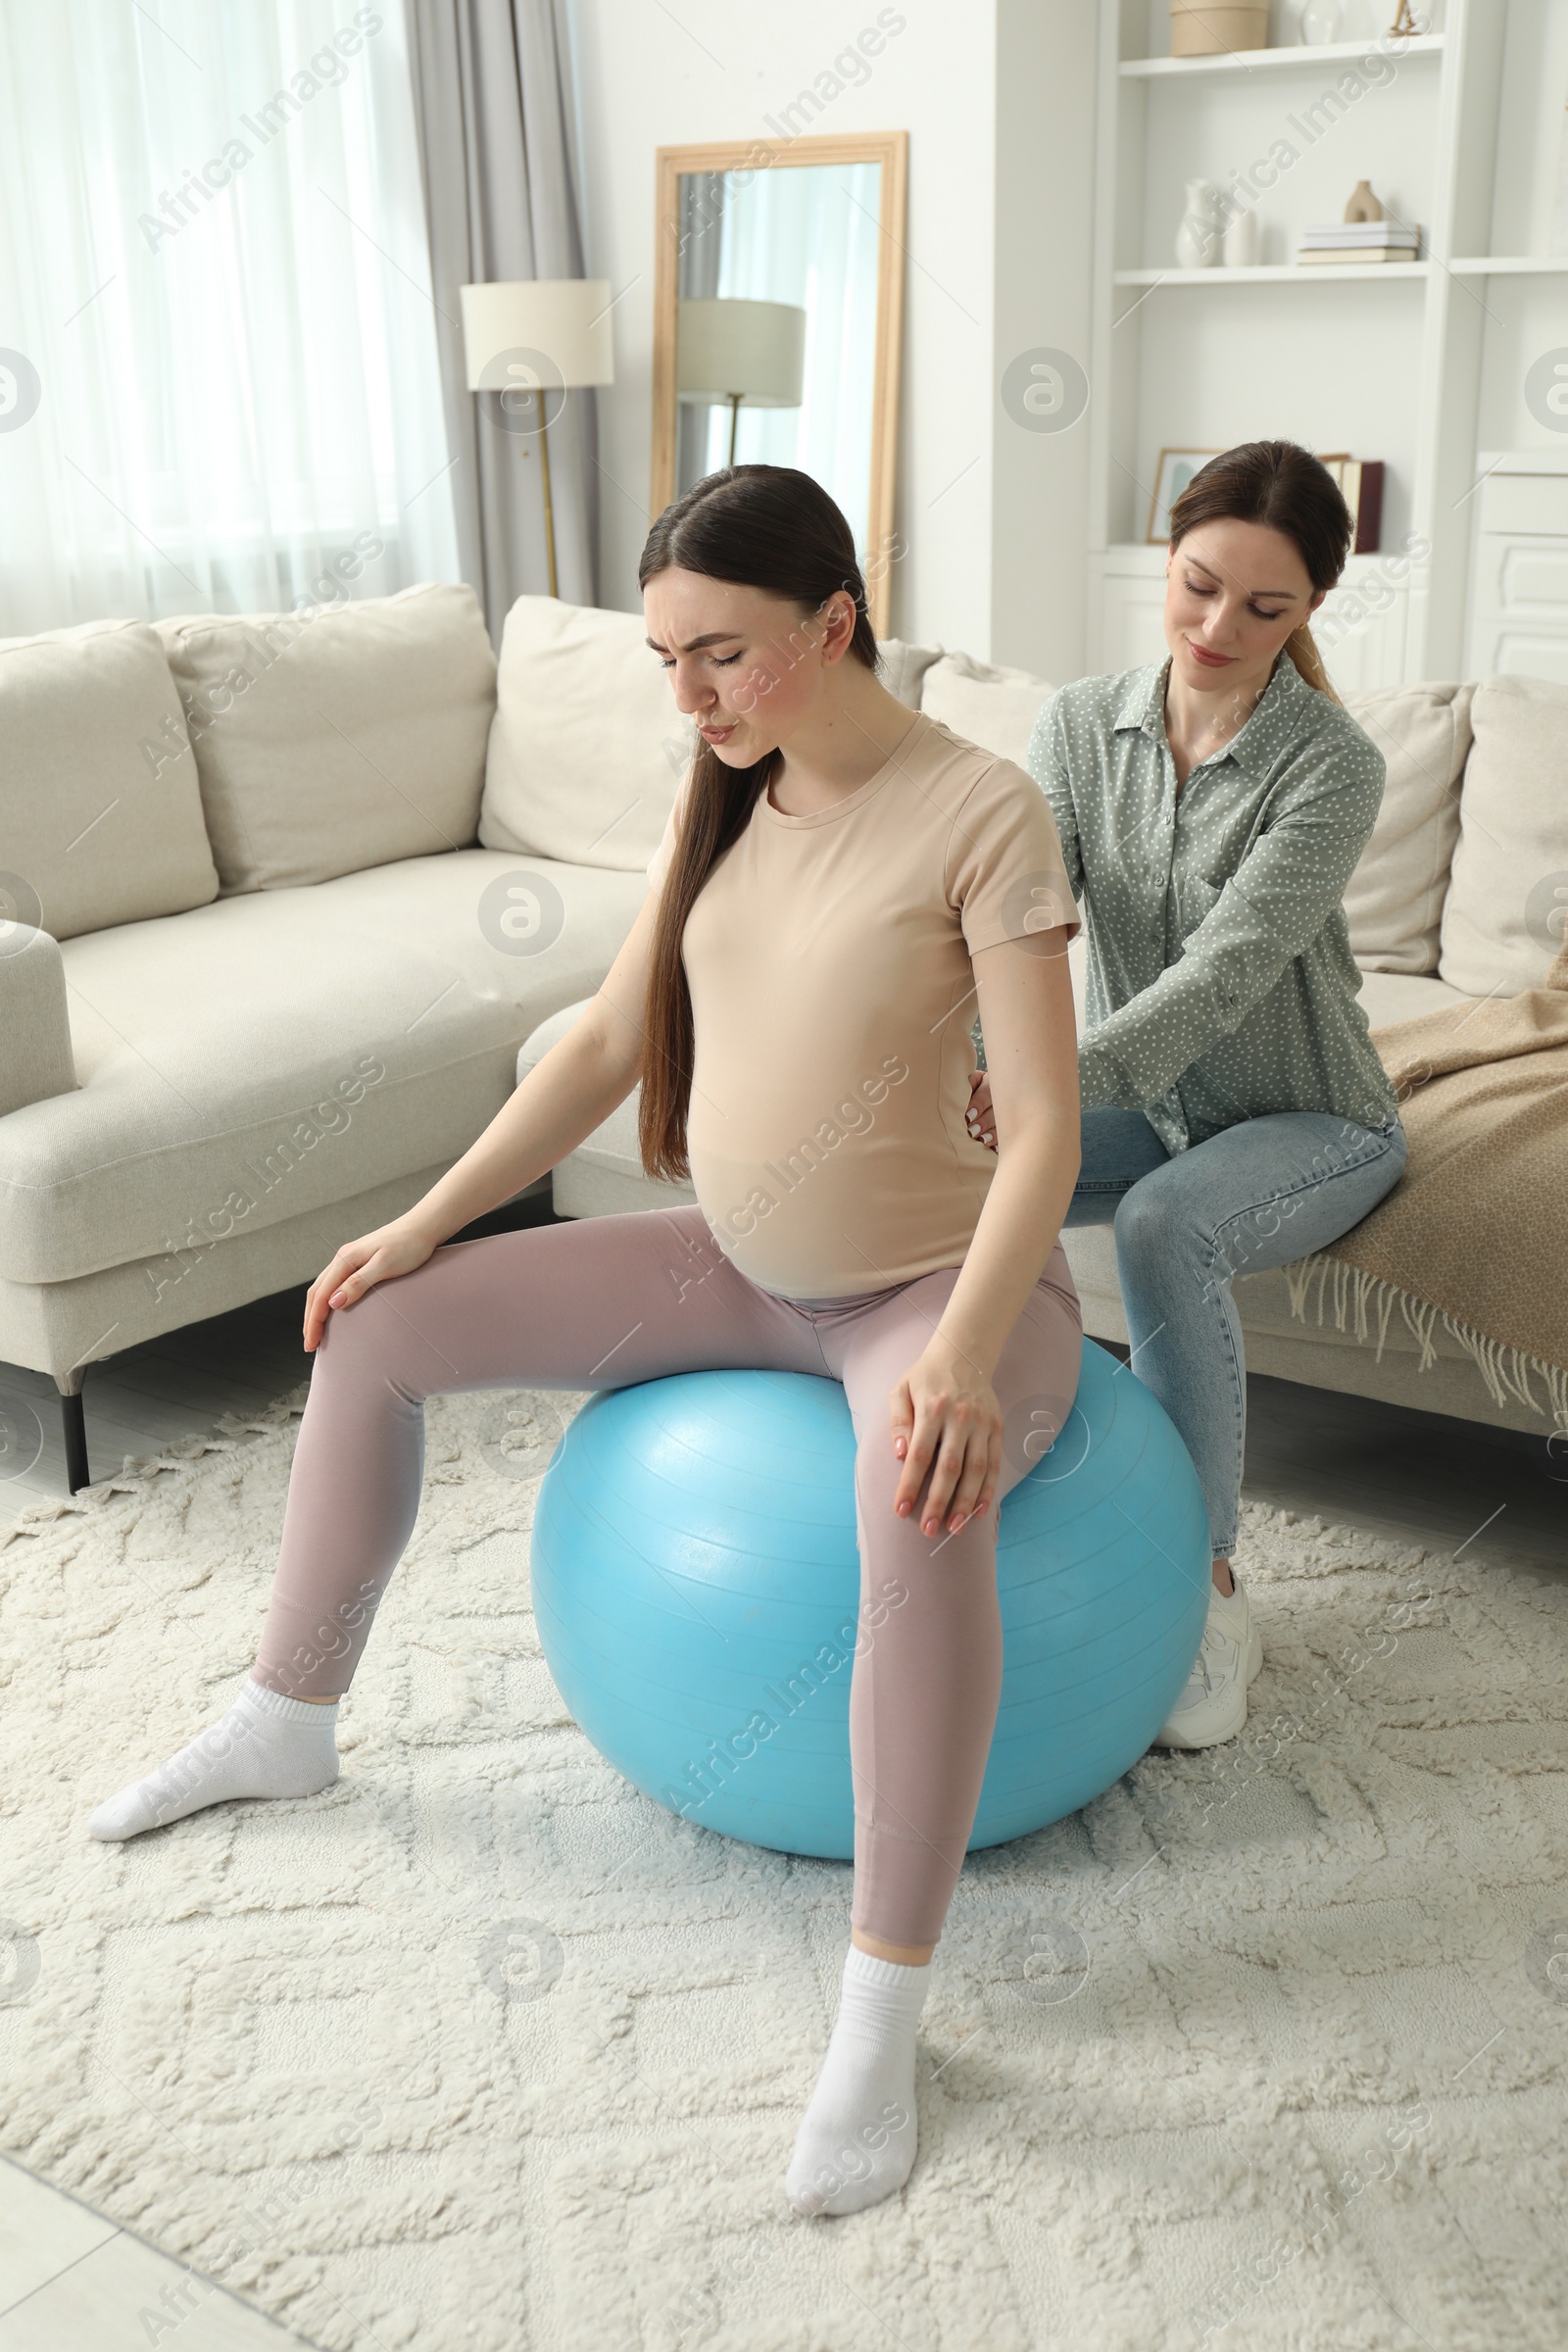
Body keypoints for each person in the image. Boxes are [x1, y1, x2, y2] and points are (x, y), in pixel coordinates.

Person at [88, 464, 1087, 2222]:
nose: (689, 695)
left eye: (722, 653)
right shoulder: (724, 801)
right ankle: (284, 1714)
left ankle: (884, 2005)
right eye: (664, 661)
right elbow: (602, 1049)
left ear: (833, 625)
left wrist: (964, 1351)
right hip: (741, 1267)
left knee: (915, 1506)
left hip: (934, 1299)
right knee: (376, 1327)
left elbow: (1055, 1133)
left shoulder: (981, 812)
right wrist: (425, 1217)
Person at [965, 439, 1407, 1749]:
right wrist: (961, 1067)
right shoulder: (1076, 723)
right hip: (1154, 1112)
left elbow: (1222, 982)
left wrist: (1045, 1085)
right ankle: (973, 1478)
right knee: (952, 1153)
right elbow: (1020, 924)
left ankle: (1208, 1585)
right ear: (1167, 558)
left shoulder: (1331, 766)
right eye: (1201, 585)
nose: (1220, 627)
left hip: (1317, 1124)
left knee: (1166, 1222)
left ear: (1313, 608)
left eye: (1265, 608)